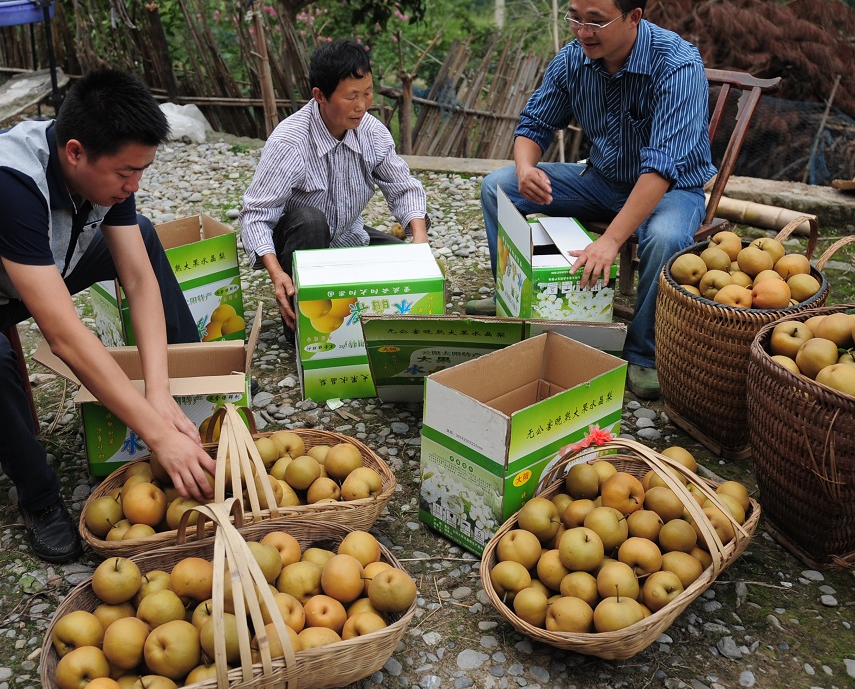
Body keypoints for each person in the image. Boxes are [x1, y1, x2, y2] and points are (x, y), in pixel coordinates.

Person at [0, 69, 216, 563]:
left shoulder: (100, 174)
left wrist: (159, 394)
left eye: (142, 172)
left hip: (1, 280)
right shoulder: (8, 182)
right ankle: (40, 500)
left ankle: (191, 380)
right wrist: (156, 436)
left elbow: (137, 279)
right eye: (124, 173)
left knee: (145, 235)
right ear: (75, 151)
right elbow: (64, 335)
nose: (133, 185)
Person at [474, 0, 716, 400]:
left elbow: (660, 169)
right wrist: (525, 169)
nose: (583, 31)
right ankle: (511, 296)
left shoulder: (677, 64)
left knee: (667, 238)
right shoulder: (574, 59)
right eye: (575, 18)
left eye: (597, 21)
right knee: (497, 187)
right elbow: (535, 123)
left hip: (670, 189)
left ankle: (642, 353)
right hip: (601, 180)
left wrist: (609, 241)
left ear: (634, 17)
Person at [239, 40, 430, 340]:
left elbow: (403, 187)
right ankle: (302, 315)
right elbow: (255, 216)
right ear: (320, 96)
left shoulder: (372, 131)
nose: (362, 106)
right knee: (312, 220)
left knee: (409, 270)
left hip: (349, 237)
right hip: (301, 243)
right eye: (351, 96)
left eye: (367, 93)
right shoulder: (289, 142)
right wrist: (278, 275)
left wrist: (419, 237)